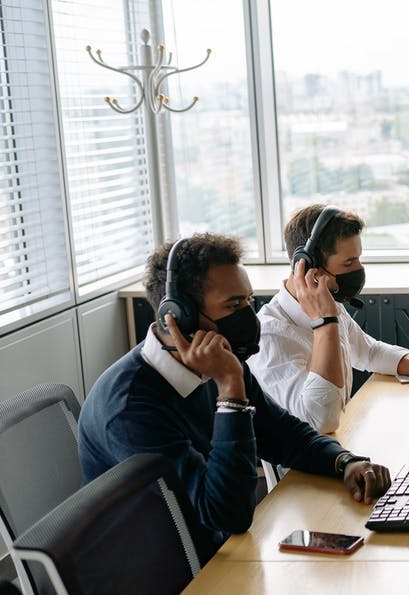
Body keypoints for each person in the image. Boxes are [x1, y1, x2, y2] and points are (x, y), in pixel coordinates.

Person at [78, 234, 392, 553]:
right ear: (178, 316)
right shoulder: (131, 409)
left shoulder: (218, 360)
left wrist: (345, 462)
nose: (247, 315)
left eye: (247, 300)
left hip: (218, 549)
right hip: (167, 568)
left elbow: (281, 433)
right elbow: (227, 515)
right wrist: (231, 391)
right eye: (233, 304)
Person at [247, 205, 409, 434]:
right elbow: (320, 420)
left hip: (340, 444)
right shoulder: (270, 336)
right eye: (349, 263)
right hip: (305, 465)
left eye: (358, 260)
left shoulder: (329, 301)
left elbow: (368, 352)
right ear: (307, 266)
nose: (359, 269)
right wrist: (325, 323)